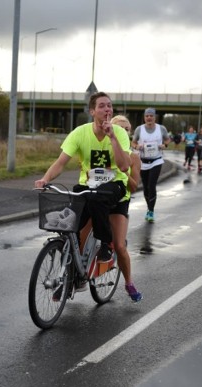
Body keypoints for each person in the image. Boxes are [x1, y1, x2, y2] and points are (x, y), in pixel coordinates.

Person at [35, 91, 131, 265]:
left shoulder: (119, 133)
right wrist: (45, 179)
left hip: (114, 184)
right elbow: (61, 162)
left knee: (98, 197)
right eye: (101, 106)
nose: (107, 109)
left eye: (109, 105)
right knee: (72, 218)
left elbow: (124, 166)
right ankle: (71, 267)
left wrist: (113, 138)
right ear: (92, 112)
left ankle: (105, 244)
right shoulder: (79, 133)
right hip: (88, 185)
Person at [108, 114, 143, 302]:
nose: (124, 132)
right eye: (119, 128)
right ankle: (70, 277)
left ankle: (128, 282)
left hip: (119, 200)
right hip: (97, 197)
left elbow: (134, 186)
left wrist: (122, 172)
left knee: (119, 246)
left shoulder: (134, 158)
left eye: (127, 129)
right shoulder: (102, 149)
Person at [131, 107, 170, 222]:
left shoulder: (161, 128)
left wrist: (164, 145)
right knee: (146, 187)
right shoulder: (139, 129)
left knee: (151, 185)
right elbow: (133, 142)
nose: (149, 118)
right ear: (144, 118)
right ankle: (149, 207)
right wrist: (137, 146)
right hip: (143, 161)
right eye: (147, 116)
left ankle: (151, 211)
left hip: (156, 160)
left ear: (154, 117)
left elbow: (167, 140)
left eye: (151, 116)